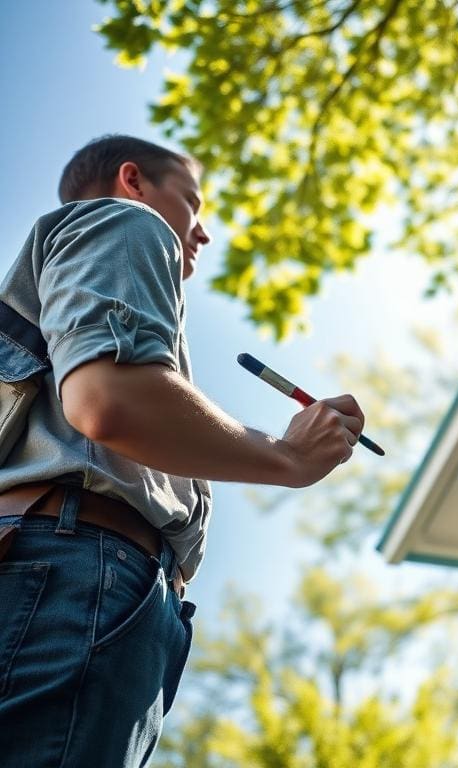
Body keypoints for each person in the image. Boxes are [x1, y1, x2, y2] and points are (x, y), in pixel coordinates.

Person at [0, 135, 365, 765]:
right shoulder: (129, 220)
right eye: (193, 204)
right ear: (134, 180)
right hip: (76, 568)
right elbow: (108, 399)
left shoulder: (69, 265)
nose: (202, 233)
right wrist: (288, 457)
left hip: (58, 571)